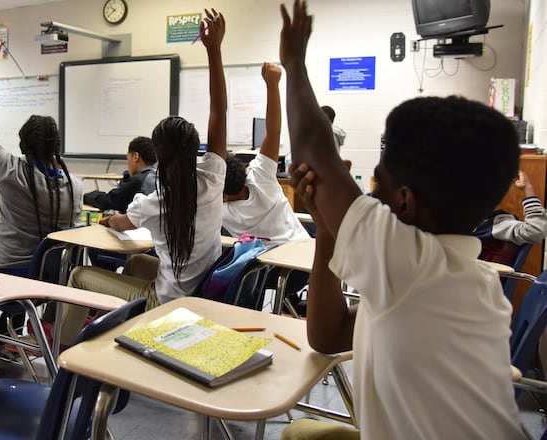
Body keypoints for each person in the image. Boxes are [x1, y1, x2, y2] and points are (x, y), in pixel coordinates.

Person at [278, 1, 525, 439]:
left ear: (405, 203)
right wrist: (327, 232)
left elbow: (314, 148)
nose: (366, 197)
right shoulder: (444, 278)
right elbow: (328, 334)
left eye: (376, 186)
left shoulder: (411, 265)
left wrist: (294, 62)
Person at [59, 8, 228, 345]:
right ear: (197, 147)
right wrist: (214, 49)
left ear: (157, 155)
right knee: (136, 262)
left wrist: (107, 220)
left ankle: (63, 355)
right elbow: (219, 111)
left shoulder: (155, 203)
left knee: (78, 274)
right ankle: (119, 337)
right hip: (200, 294)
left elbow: (120, 223)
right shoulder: (212, 177)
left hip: (166, 304)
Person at [0, 56, 82, 275]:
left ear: (22, 146)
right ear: (57, 147)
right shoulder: (74, 186)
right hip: (52, 276)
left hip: (8, 272)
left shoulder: (12, 173)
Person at [222, 62, 309, 246]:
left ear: (222, 196)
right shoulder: (260, 175)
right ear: (243, 170)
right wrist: (272, 85)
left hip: (270, 267)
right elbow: (273, 132)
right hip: (303, 251)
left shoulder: (222, 212)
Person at [83, 136, 157, 213]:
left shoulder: (138, 180)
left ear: (135, 157)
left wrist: (85, 197)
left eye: (128, 158)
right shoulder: (157, 176)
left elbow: (110, 201)